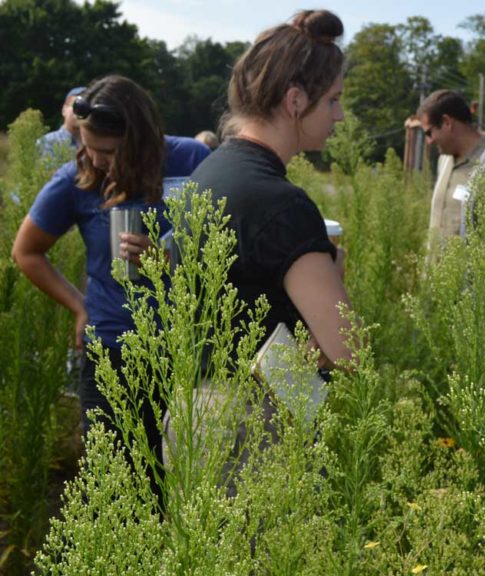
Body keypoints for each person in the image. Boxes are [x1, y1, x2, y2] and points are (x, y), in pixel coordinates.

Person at [12, 75, 210, 503]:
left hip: (185, 350)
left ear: (139, 139)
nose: (95, 159)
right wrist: (80, 307)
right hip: (112, 351)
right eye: (86, 145)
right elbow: (26, 252)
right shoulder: (77, 178)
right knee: (113, 487)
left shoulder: (191, 158)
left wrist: (167, 260)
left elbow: (227, 240)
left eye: (107, 151)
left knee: (182, 485)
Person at [190, 10, 353, 375]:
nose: (339, 115)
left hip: (195, 411)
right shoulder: (281, 204)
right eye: (332, 99)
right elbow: (349, 349)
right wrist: (335, 268)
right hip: (255, 422)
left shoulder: (207, 172)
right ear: (295, 100)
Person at [417, 89, 485, 255]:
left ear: (447, 122)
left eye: (429, 133)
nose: (429, 141)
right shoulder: (444, 161)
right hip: (439, 277)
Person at [36, 86, 86, 156]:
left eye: (84, 108)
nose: (80, 111)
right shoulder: (47, 142)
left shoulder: (94, 144)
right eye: (76, 106)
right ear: (64, 110)